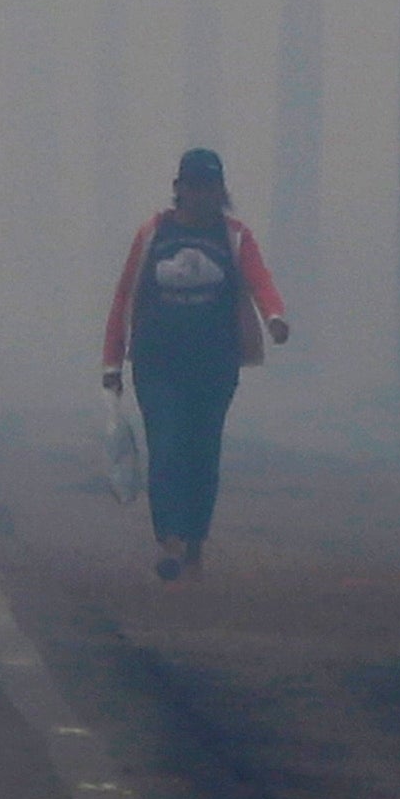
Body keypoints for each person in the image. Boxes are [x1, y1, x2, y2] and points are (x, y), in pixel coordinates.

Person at [100, 147, 288, 580]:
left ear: (221, 192)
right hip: (157, 364)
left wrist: (275, 318)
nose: (202, 196)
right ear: (179, 189)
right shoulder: (154, 235)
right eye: (194, 187)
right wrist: (112, 361)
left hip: (214, 366)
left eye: (210, 188)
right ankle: (168, 538)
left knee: (202, 452)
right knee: (165, 446)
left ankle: (195, 543)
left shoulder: (234, 237)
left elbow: (260, 282)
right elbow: (125, 298)